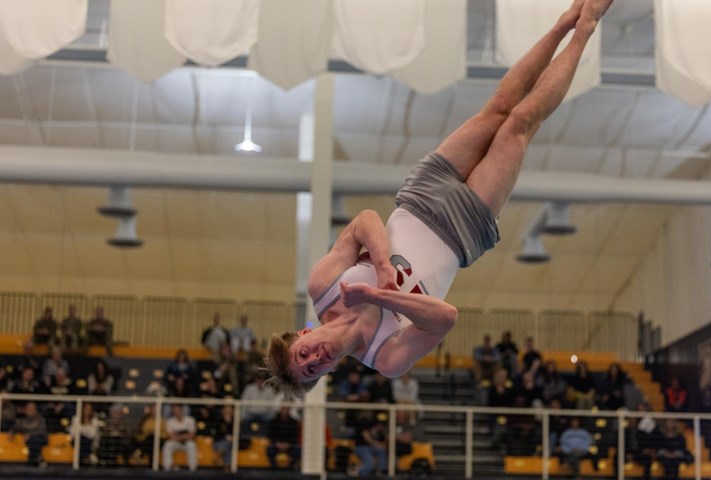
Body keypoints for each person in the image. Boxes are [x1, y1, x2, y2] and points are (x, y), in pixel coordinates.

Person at [263, 0, 615, 398]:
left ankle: (564, 21)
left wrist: (381, 267)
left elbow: (364, 221)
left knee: (499, 108)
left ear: (304, 334)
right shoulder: (386, 357)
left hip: (422, 194)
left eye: (303, 354)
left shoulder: (323, 286)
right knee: (519, 124)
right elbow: (446, 318)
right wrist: (378, 295)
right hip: (465, 228)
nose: (315, 359)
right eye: (312, 371)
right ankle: (585, 27)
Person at [10, 402, 49, 467]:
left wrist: (30, 434)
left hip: (41, 438)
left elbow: (42, 431)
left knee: (34, 440)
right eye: (28, 409)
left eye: (32, 409)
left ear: (35, 410)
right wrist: (11, 431)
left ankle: (31, 461)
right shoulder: (23, 420)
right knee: (32, 441)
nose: (30, 411)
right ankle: (39, 459)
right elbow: (16, 427)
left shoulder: (40, 419)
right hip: (30, 441)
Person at [162, 404, 198, 471]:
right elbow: (170, 436)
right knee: (168, 444)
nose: (177, 412)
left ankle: (193, 468)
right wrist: (184, 436)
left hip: (186, 442)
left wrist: (179, 436)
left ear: (182, 410)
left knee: (191, 444)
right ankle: (167, 467)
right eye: (175, 410)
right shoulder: (170, 421)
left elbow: (192, 435)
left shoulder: (190, 420)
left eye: (178, 410)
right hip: (175, 443)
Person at [266, 405, 301, 470]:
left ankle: (291, 468)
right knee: (269, 449)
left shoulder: (294, 422)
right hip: (276, 444)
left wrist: (288, 444)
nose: (284, 411)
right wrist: (277, 443)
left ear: (289, 410)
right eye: (283, 409)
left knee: (298, 450)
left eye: (286, 409)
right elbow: (270, 435)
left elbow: (295, 435)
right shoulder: (274, 421)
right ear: (280, 409)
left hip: (289, 445)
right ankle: (274, 468)